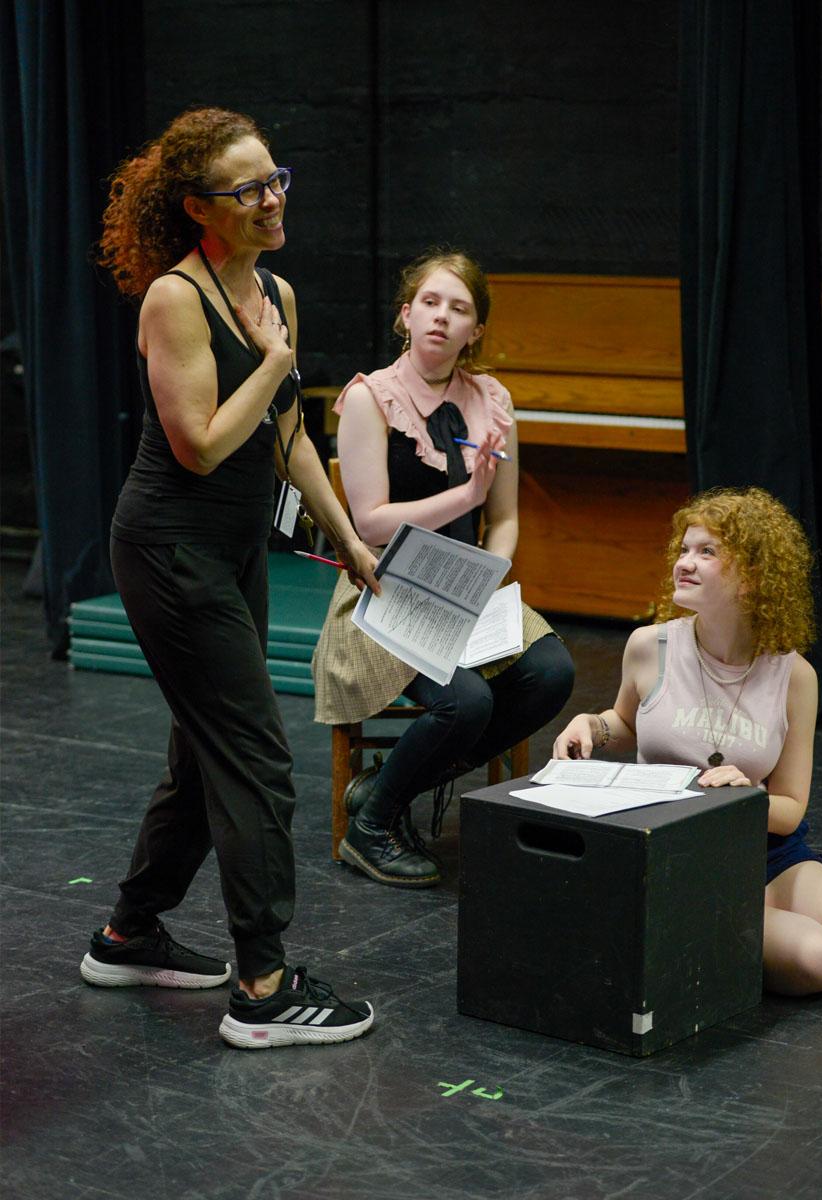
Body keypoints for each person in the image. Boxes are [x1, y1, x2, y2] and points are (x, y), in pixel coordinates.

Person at [80, 106, 381, 1049]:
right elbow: (205, 444)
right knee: (252, 757)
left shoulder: (279, 294)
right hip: (171, 550)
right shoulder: (174, 299)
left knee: (201, 753)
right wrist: (278, 364)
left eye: (276, 179)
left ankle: (129, 933)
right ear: (199, 209)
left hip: (236, 550)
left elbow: (288, 439)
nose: (271, 199)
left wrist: (352, 544)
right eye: (248, 189)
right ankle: (263, 984)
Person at [552, 487, 822, 995]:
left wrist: (746, 797)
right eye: (684, 549)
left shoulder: (795, 678)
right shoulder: (651, 647)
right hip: (675, 861)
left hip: (765, 857)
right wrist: (592, 724)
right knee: (819, 961)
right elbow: (626, 722)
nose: (684, 563)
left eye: (707, 552)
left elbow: (790, 809)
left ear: (754, 577)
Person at [312, 249, 575, 888]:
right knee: (466, 701)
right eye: (430, 302)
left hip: (465, 590)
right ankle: (373, 827)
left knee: (552, 674)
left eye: (459, 309)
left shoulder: (491, 399)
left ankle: (387, 787)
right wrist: (464, 498)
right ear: (405, 315)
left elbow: (505, 515)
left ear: (475, 331)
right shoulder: (369, 398)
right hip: (383, 590)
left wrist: (493, 568)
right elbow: (371, 522)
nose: (441, 317)